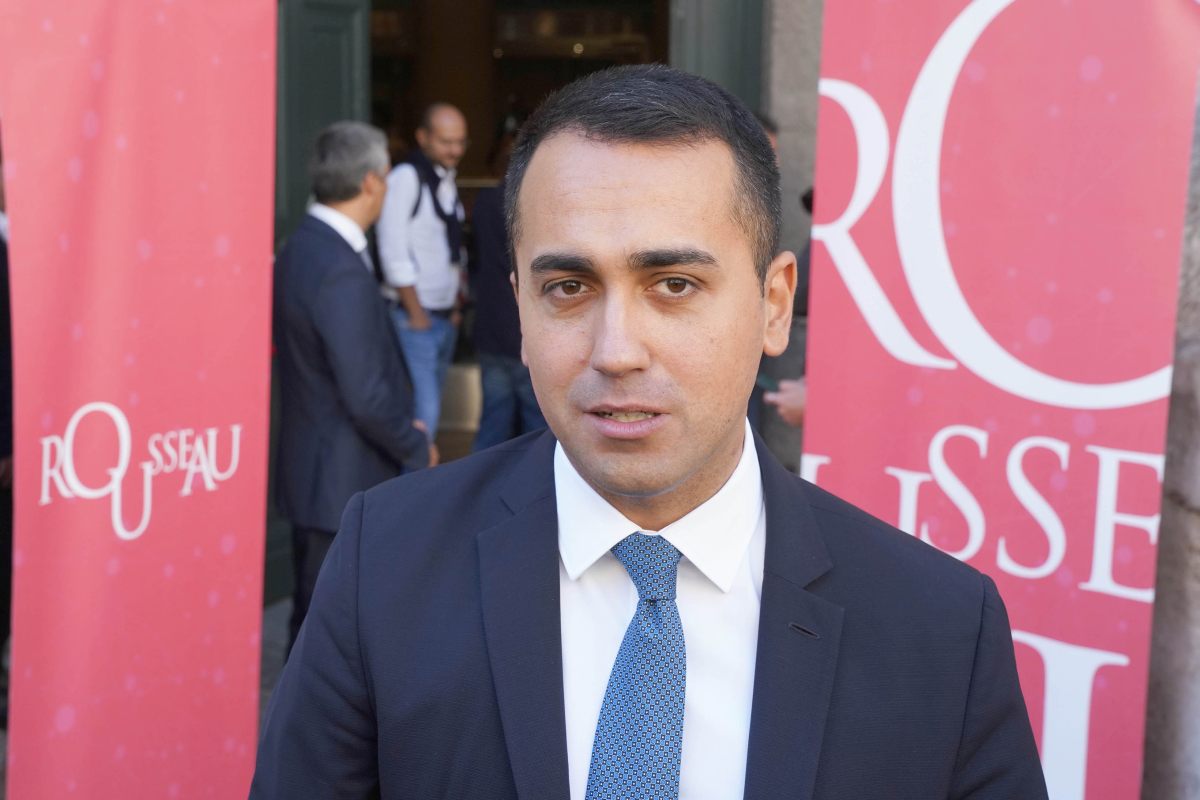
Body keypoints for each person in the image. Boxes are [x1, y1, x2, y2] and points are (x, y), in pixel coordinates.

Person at [251, 66, 1047, 799]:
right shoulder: (384, 564)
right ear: (519, 307)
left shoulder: (940, 628)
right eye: (569, 287)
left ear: (774, 305)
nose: (616, 351)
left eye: (673, 284)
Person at [272, 121, 432, 652]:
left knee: (314, 620)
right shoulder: (337, 265)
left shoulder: (301, 246)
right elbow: (364, 393)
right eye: (385, 176)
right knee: (327, 630)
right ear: (370, 182)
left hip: (316, 470)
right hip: (341, 477)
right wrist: (413, 443)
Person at [376, 102, 469, 439]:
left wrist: (455, 307)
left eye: (460, 142)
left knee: (429, 411)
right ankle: (414, 472)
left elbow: (451, 251)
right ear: (423, 137)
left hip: (442, 315)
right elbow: (392, 248)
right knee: (423, 414)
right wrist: (415, 313)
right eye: (446, 142)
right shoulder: (406, 178)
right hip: (414, 316)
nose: (455, 150)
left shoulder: (445, 180)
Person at [470, 133, 546, 451]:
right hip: (522, 323)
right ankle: (538, 477)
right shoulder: (535, 206)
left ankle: (482, 478)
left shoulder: (484, 201)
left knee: (493, 420)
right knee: (537, 423)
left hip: (489, 323)